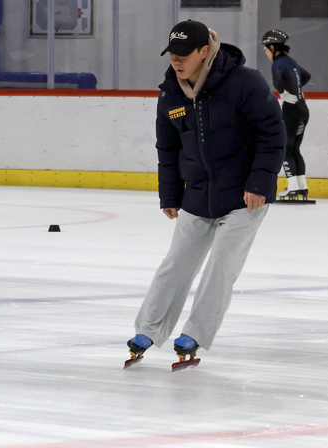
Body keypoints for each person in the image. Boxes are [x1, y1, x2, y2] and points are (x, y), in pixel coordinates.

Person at [125, 20, 286, 367]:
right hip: (198, 195)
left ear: (204, 51)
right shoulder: (170, 93)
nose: (177, 61)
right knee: (175, 265)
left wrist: (259, 183)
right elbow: (167, 148)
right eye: (172, 54)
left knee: (220, 267)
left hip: (245, 197)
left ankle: (195, 334)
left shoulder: (244, 82)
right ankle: (148, 330)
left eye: (184, 54)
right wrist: (170, 195)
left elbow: (273, 134)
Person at [263, 29, 311, 199]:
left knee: (285, 148)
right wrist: (296, 90)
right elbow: (306, 76)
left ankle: (292, 187)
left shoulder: (278, 64)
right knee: (295, 148)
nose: (265, 51)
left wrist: (285, 93)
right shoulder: (291, 61)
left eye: (266, 48)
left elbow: (276, 80)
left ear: (273, 47)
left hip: (291, 109)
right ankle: (301, 187)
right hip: (303, 108)